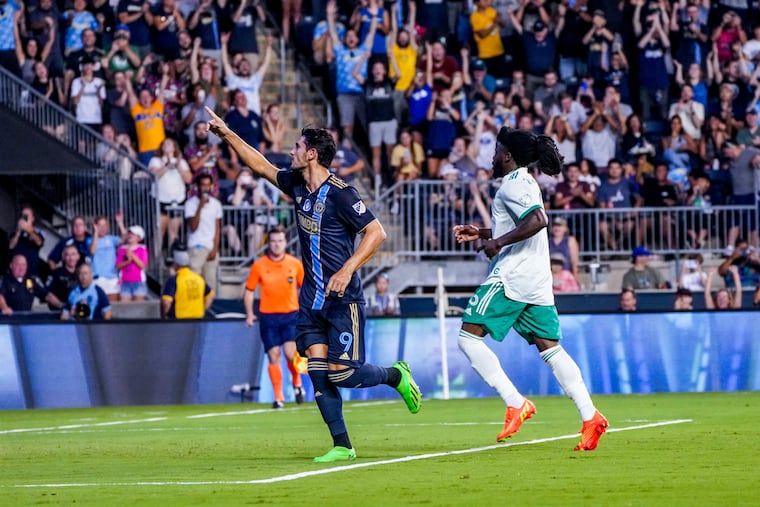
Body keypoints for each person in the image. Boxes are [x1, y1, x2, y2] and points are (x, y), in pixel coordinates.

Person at [206, 107, 421, 463]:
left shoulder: (341, 193)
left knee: (345, 374)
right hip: (311, 301)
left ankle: (394, 375)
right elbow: (260, 166)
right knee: (319, 374)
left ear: (312, 154)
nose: (290, 151)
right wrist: (227, 134)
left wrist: (349, 268)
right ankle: (342, 445)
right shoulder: (296, 185)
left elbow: (376, 232)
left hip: (343, 300)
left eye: (296, 146)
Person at [452, 127, 607, 452]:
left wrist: (496, 242)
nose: (492, 157)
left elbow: (538, 220)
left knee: (467, 337)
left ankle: (515, 402)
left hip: (514, 275)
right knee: (550, 348)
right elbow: (521, 223)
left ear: (507, 155)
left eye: (496, 151)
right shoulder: (522, 182)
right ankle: (590, 416)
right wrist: (481, 232)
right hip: (536, 278)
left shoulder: (514, 185)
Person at [244, 226, 306, 409]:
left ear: (285, 242)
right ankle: (279, 397)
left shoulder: (295, 264)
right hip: (268, 317)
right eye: (273, 241)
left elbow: (305, 289)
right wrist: (249, 313)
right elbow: (248, 291)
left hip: (290, 315)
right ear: (268, 243)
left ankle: (297, 383)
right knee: (273, 355)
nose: (277, 245)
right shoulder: (259, 265)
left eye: (280, 241)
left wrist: (307, 310)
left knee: (290, 354)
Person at [184, 173, 222, 293]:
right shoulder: (190, 204)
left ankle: (210, 310)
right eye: (202, 185)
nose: (205, 188)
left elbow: (217, 228)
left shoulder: (216, 204)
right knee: (195, 283)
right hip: (196, 247)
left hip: (210, 248)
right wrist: (200, 206)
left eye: (207, 185)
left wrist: (215, 248)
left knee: (210, 283)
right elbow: (193, 227)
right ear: (197, 186)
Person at [161, 245, 213, 319]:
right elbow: (210, 296)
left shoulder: (174, 280)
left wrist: (164, 318)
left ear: (175, 264)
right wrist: (203, 310)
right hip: (198, 320)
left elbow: (166, 302)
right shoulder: (199, 278)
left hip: (179, 321)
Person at [90, 213, 126, 301]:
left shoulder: (111, 239)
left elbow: (125, 238)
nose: (103, 228)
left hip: (112, 277)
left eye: (105, 225)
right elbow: (92, 251)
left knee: (113, 306)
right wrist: (95, 233)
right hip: (99, 278)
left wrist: (120, 223)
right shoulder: (90, 240)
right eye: (100, 225)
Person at [8, 206, 45, 278]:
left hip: (31, 271)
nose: (24, 218)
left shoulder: (38, 232)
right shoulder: (14, 232)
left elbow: (39, 242)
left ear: (32, 219)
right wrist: (18, 232)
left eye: (26, 216)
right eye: (23, 216)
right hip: (16, 271)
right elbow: (11, 246)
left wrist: (29, 231)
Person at [116, 225, 149, 301]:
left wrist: (132, 256)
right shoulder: (122, 249)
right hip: (124, 282)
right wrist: (127, 262)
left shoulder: (142, 248)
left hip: (138, 282)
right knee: (125, 308)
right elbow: (118, 266)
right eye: (129, 233)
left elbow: (143, 265)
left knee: (139, 307)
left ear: (139, 238)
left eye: (133, 234)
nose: (130, 235)